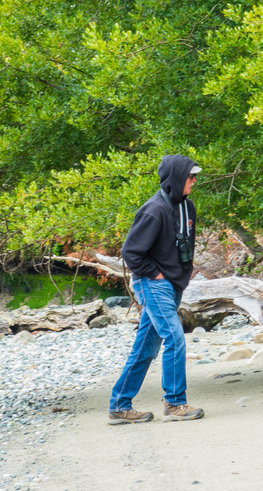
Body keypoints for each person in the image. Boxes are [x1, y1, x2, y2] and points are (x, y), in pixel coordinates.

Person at [108, 154, 205, 424]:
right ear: (176, 177)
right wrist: (158, 275)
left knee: (145, 349)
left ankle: (119, 405)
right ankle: (175, 404)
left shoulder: (188, 208)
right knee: (174, 337)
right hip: (152, 283)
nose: (194, 181)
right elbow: (131, 252)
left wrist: (180, 276)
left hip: (172, 284)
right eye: (190, 176)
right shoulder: (153, 210)